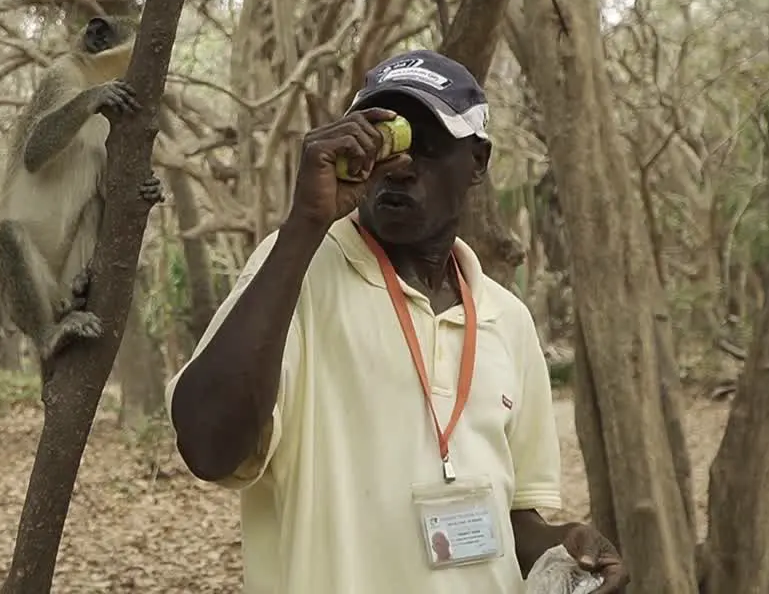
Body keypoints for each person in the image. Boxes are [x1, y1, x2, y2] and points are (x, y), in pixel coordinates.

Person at [165, 50, 630, 593]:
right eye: (384, 142)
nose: (401, 166)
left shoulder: (509, 319)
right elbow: (207, 446)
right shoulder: (296, 269)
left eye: (426, 144)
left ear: (478, 162)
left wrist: (564, 544)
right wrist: (303, 226)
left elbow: (514, 517)